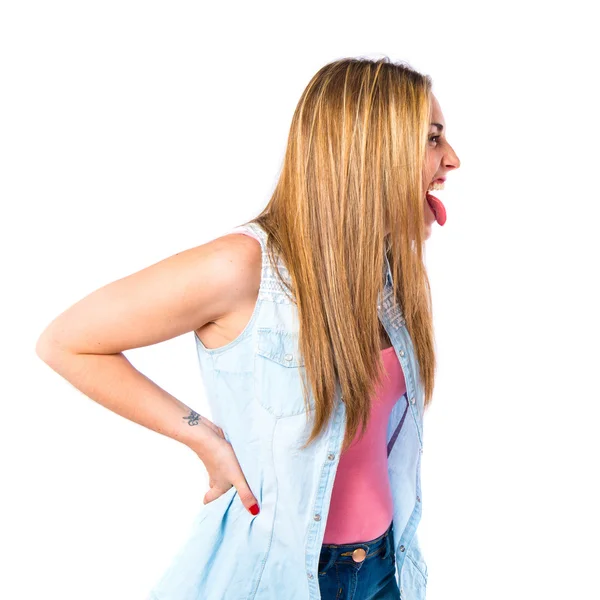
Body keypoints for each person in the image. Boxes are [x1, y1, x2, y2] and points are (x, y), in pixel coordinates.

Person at [36, 56, 460, 600]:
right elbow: (68, 342)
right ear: (369, 151)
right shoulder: (242, 267)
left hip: (382, 570)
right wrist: (201, 435)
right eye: (431, 139)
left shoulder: (384, 278)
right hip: (277, 580)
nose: (451, 159)